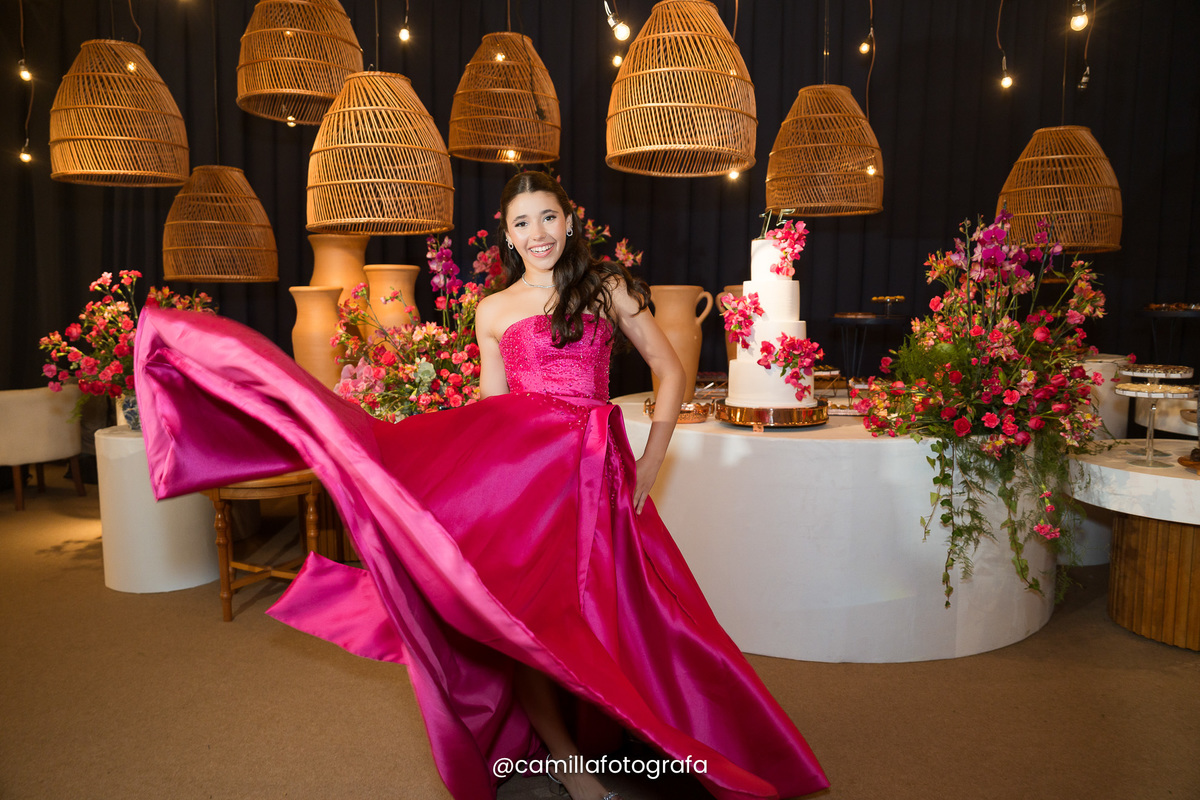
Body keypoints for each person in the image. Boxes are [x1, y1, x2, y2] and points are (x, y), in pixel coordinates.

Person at [133, 171, 829, 800]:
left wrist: (650, 462)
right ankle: (572, 766)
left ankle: (644, 736)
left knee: (637, 616)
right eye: (523, 222)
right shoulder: (492, 309)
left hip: (596, 476)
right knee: (519, 622)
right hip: (525, 485)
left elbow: (671, 371)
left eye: (548, 217)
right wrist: (442, 469)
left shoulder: (605, 287)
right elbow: (493, 411)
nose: (538, 233)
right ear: (507, 234)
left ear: (569, 221)